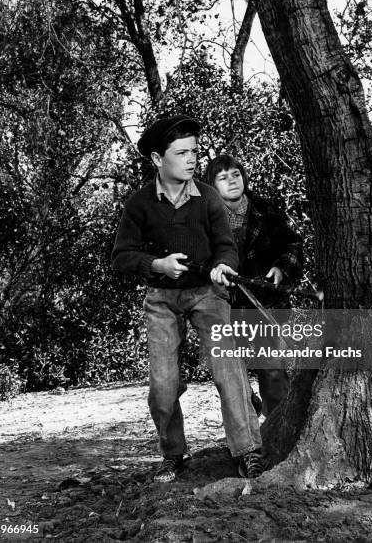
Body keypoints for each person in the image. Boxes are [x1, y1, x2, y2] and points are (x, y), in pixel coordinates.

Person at [112, 117, 263, 482]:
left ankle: (248, 451)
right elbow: (121, 256)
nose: (192, 159)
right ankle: (173, 454)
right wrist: (157, 264)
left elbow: (226, 247)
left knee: (229, 370)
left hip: (208, 295)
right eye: (182, 153)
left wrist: (223, 265)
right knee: (162, 385)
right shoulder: (140, 204)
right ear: (156, 158)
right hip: (161, 299)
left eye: (195, 151)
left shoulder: (208, 197)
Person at [204, 154, 304, 417]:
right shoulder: (203, 218)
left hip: (264, 301)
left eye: (236, 174)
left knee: (271, 366)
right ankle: (249, 410)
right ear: (212, 185)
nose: (232, 181)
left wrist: (282, 268)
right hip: (224, 304)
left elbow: (292, 244)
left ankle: (276, 425)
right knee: (229, 372)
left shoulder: (264, 209)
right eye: (223, 177)